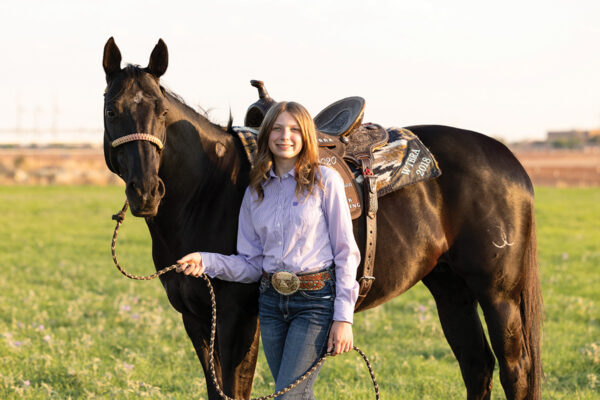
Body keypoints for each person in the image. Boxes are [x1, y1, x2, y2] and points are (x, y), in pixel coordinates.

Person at [176, 101, 360, 399]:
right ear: (266, 136)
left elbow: (346, 252)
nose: (284, 136)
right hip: (272, 305)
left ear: (306, 137)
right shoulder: (255, 192)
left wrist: (343, 317)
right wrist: (205, 260)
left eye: (294, 129)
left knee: (288, 396)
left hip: (314, 303)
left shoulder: (326, 182)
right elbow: (251, 265)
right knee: (295, 394)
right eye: (277, 128)